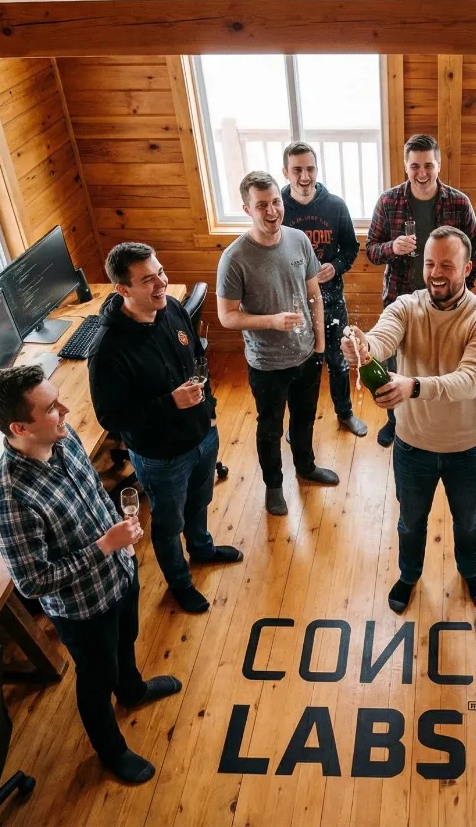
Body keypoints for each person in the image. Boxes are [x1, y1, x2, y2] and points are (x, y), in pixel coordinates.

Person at [0, 364, 181, 784]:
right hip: (83, 608)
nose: (66, 410)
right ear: (20, 426)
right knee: (96, 678)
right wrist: (104, 546)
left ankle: (134, 690)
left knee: (127, 640)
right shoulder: (10, 499)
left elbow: (93, 492)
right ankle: (112, 750)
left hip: (120, 574)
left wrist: (119, 544)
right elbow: (33, 583)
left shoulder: (63, 437)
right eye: (52, 408)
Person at [342, 227, 476, 614]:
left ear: (468, 268)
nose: (436, 273)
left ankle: (469, 568)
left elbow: (469, 380)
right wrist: (362, 346)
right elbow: (382, 339)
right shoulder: (405, 305)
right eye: (430, 263)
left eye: (447, 265)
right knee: (410, 523)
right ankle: (409, 574)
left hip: (467, 447)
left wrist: (413, 386)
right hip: (412, 445)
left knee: (468, 522)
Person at [88, 243, 242, 616]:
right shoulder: (107, 351)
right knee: (168, 523)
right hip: (161, 456)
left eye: (160, 272)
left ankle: (202, 549)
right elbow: (111, 417)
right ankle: (179, 583)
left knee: (200, 501)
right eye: (148, 280)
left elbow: (197, 359)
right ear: (123, 290)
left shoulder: (171, 308)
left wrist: (209, 410)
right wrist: (170, 403)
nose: (161, 283)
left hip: (202, 435)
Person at [218, 170, 341, 516]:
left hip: (306, 355)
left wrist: (319, 344)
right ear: (246, 209)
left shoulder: (299, 240)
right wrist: (270, 321)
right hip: (267, 363)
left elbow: (313, 292)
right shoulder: (234, 258)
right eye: (261, 206)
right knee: (270, 428)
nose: (272, 211)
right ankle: (274, 485)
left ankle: (306, 466)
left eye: (275, 202)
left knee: (303, 419)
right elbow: (227, 316)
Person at [365, 133, 476, 448]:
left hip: (446, 306)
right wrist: (392, 247)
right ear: (406, 166)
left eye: (428, 165)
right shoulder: (388, 201)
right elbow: (371, 251)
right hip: (401, 303)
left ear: (438, 164)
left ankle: (439, 422)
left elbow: (475, 256)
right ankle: (396, 421)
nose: (422, 173)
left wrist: (461, 301)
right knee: (394, 366)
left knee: (443, 367)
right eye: (415, 165)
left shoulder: (459, 202)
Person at [280, 141, 367, 438]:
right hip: (293, 305)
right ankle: (299, 423)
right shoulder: (277, 208)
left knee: (338, 361)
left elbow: (351, 248)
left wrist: (337, 266)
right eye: (297, 170)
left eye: (310, 169)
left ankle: (344, 413)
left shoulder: (335, 206)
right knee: (299, 367)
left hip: (331, 300)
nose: (304, 176)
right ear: (286, 172)